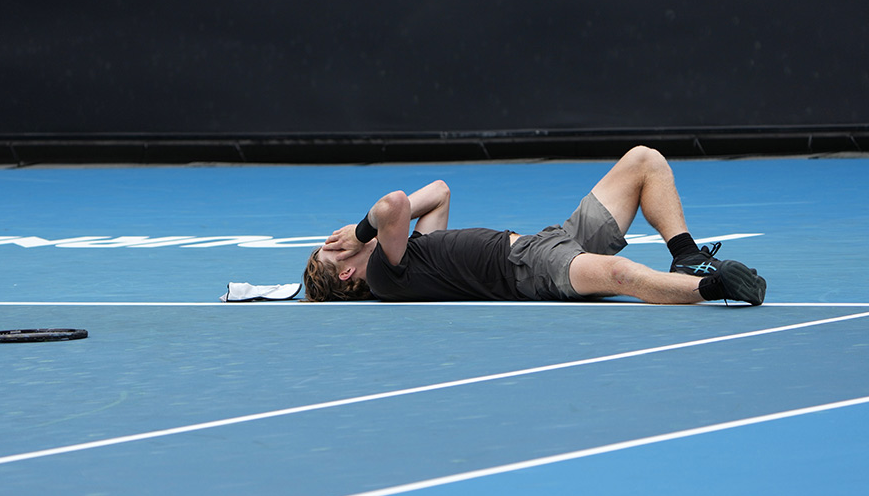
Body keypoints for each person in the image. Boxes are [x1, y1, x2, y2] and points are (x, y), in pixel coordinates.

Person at [302, 146, 766, 305]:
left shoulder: (407, 255)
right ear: (347, 271)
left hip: (549, 241)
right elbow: (394, 204)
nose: (337, 238)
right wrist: (360, 232)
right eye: (332, 247)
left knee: (643, 162)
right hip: (528, 269)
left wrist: (366, 233)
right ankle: (712, 286)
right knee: (618, 275)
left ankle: (687, 257)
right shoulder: (385, 274)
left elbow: (439, 192)